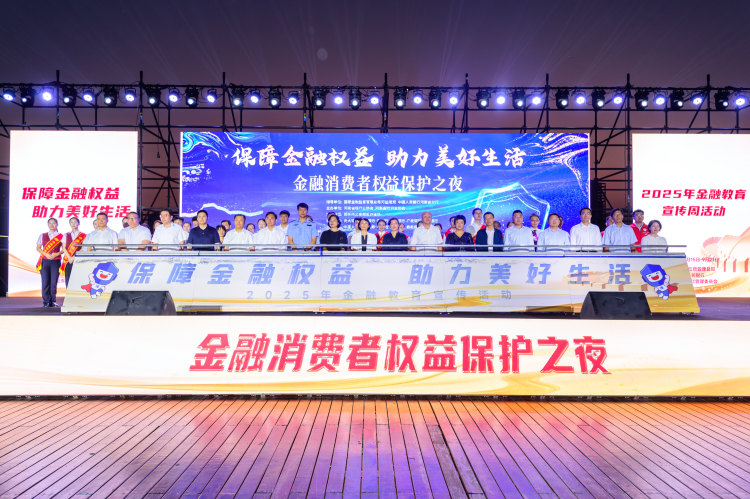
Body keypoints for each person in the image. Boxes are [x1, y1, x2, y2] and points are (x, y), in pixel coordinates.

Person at [36, 217, 63, 307]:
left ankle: (53, 301)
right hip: (44, 260)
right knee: (45, 281)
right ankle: (46, 301)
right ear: (48, 224)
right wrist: (45, 254)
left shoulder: (61, 236)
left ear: (57, 224)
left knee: (53, 282)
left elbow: (64, 249)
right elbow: (38, 247)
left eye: (53, 223)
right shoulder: (43, 235)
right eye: (50, 223)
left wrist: (57, 254)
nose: (52, 225)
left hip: (56, 261)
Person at [60, 216, 86, 287]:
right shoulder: (66, 235)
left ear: (78, 223)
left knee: (78, 279)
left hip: (78, 259)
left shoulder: (83, 235)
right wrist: (69, 257)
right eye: (71, 222)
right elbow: (64, 248)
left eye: (75, 222)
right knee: (68, 279)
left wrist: (74, 257)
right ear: (69, 224)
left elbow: (83, 248)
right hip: (68, 260)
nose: (73, 224)